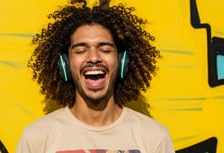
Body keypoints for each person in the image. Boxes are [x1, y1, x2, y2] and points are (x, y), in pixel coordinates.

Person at [16, 0, 175, 152]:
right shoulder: (37, 138)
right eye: (80, 51)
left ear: (121, 61)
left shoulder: (154, 137)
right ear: (65, 63)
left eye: (105, 50)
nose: (93, 58)